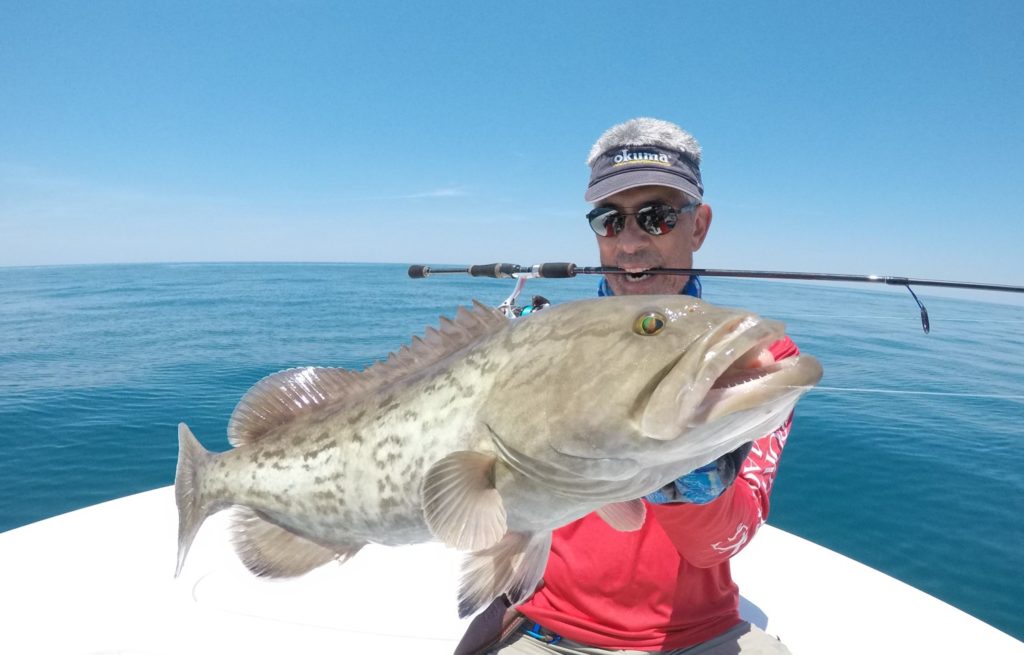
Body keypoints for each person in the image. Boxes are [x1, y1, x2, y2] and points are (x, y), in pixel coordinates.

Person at [456, 117, 798, 655]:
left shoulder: (755, 361)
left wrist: (688, 477)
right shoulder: (534, 345)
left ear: (699, 226)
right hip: (546, 628)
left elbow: (723, 542)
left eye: (658, 217)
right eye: (610, 221)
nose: (632, 243)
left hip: (699, 635)